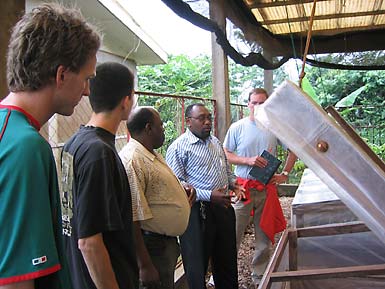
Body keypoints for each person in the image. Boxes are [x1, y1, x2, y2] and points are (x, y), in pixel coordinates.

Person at [0, 4, 100, 288]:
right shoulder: (25, 147)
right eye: (86, 78)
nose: (87, 91)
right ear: (61, 75)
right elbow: (14, 281)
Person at [60, 62, 139, 289]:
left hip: (78, 276)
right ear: (126, 100)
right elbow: (89, 241)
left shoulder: (73, 143)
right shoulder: (99, 153)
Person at [166, 103, 245, 289]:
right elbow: (177, 186)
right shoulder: (178, 148)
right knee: (197, 265)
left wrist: (235, 185)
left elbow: (226, 171)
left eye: (209, 117)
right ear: (188, 121)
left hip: (223, 208)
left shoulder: (215, 142)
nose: (208, 122)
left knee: (226, 259)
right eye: (201, 118)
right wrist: (209, 196)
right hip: (197, 213)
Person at [223, 88, 297, 285]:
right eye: (254, 103)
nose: (257, 106)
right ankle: (223, 275)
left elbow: (293, 149)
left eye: (262, 103)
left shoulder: (274, 128)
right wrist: (247, 161)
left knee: (264, 237)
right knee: (233, 234)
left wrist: (284, 175)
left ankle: (260, 276)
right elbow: (226, 154)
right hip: (242, 189)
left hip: (266, 188)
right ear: (248, 104)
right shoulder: (237, 127)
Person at [119, 107, 195, 289]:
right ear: (148, 128)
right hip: (152, 248)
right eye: (160, 125)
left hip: (163, 245)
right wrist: (144, 265)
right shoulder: (133, 160)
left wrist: (180, 190)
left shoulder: (150, 153)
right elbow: (133, 217)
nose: (164, 129)